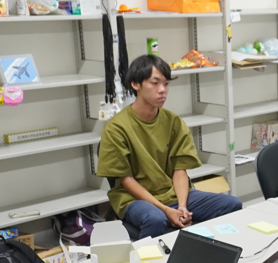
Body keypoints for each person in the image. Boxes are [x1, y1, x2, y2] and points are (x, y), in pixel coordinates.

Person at [97, 55, 242, 239]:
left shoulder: (173, 122)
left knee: (232, 204)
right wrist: (165, 210)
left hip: (171, 194)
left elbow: (179, 170)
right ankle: (148, 258)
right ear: (135, 85)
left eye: (166, 84)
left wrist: (182, 207)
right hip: (133, 199)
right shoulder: (116, 127)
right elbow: (127, 180)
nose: (162, 90)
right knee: (156, 219)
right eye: (155, 83)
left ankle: (207, 252)